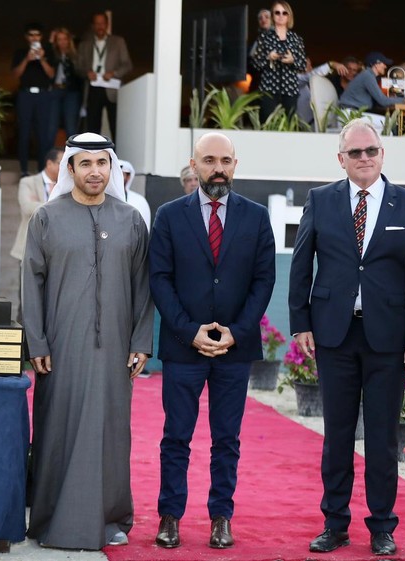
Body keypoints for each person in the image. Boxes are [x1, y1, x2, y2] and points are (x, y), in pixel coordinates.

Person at [288, 119, 405, 557]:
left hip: (388, 338)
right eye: (355, 152)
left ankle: (382, 526)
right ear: (340, 158)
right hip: (334, 336)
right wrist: (300, 322)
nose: (365, 158)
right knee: (338, 435)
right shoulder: (320, 200)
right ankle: (335, 523)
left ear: (383, 154)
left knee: (382, 437)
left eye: (372, 151)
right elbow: (301, 264)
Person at [22, 132, 154, 550]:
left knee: (112, 432)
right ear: (71, 169)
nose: (95, 171)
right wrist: (37, 343)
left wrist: (141, 340)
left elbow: (143, 287)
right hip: (60, 348)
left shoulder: (130, 219)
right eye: (86, 163)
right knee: (57, 428)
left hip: (116, 347)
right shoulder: (46, 217)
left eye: (102, 164)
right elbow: (31, 284)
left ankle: (111, 518)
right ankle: (50, 520)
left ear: (111, 168)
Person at [149, 132, 275, 550]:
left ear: (235, 165)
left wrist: (236, 333)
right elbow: (160, 280)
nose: (217, 168)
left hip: (234, 349)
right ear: (194, 164)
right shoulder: (168, 216)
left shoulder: (256, 217)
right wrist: (190, 331)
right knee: (176, 436)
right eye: (209, 160)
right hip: (184, 346)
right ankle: (170, 516)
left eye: (225, 160)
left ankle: (222, 516)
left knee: (227, 439)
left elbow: (263, 280)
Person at [10, 146, 63, 324]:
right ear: (49, 163)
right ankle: (22, 346)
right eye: (61, 164)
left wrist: (41, 204)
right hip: (27, 250)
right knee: (26, 300)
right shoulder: (29, 182)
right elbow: (27, 208)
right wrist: (58, 207)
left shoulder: (66, 186)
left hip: (57, 252)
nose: (66, 169)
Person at [76, 12, 133, 140]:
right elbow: (78, 67)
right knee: (92, 127)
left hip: (112, 88)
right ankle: (93, 156)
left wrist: (114, 73)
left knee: (116, 126)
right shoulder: (85, 44)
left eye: (102, 23)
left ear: (107, 25)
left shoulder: (118, 42)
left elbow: (127, 65)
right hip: (93, 87)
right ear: (92, 26)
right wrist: (87, 72)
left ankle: (117, 158)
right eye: (97, 24)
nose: (99, 26)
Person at [11, 22, 56, 177]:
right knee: (24, 132)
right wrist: (27, 59)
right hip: (25, 95)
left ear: (41, 37)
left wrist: (42, 59)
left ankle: (41, 170)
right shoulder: (20, 53)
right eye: (31, 35)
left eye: (37, 34)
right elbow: (15, 75)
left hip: (44, 96)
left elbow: (51, 75)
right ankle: (23, 169)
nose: (34, 37)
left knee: (43, 134)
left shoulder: (49, 51)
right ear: (26, 37)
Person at [251, 1, 307, 122]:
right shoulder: (264, 37)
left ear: (289, 16)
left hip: (290, 89)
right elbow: (255, 64)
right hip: (269, 88)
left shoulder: (296, 39)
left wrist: (293, 60)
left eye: (284, 13)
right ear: (273, 16)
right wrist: (268, 57)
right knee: (267, 123)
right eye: (277, 12)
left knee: (289, 124)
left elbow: (303, 64)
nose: (281, 15)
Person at [339, 51, 405, 132]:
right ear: (376, 64)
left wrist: (393, 99)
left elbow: (379, 101)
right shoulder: (367, 76)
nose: (385, 66)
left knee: (384, 127)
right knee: (390, 123)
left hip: (353, 113)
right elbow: (382, 100)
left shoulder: (368, 75)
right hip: (350, 114)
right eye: (383, 63)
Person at [48, 27, 83, 145]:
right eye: (59, 39)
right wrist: (50, 42)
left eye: (64, 39)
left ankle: (72, 159)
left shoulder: (76, 55)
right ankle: (49, 159)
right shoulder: (52, 54)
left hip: (71, 92)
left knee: (71, 127)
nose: (62, 42)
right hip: (55, 91)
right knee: (51, 127)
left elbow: (80, 74)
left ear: (69, 40)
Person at [118, 159, 151, 231]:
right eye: (115, 174)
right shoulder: (101, 198)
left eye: (121, 174)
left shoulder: (139, 201)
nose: (117, 178)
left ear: (128, 177)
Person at [247, 9, 272, 94]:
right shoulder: (256, 41)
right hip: (256, 84)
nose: (263, 20)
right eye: (260, 18)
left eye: (266, 17)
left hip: (271, 85)